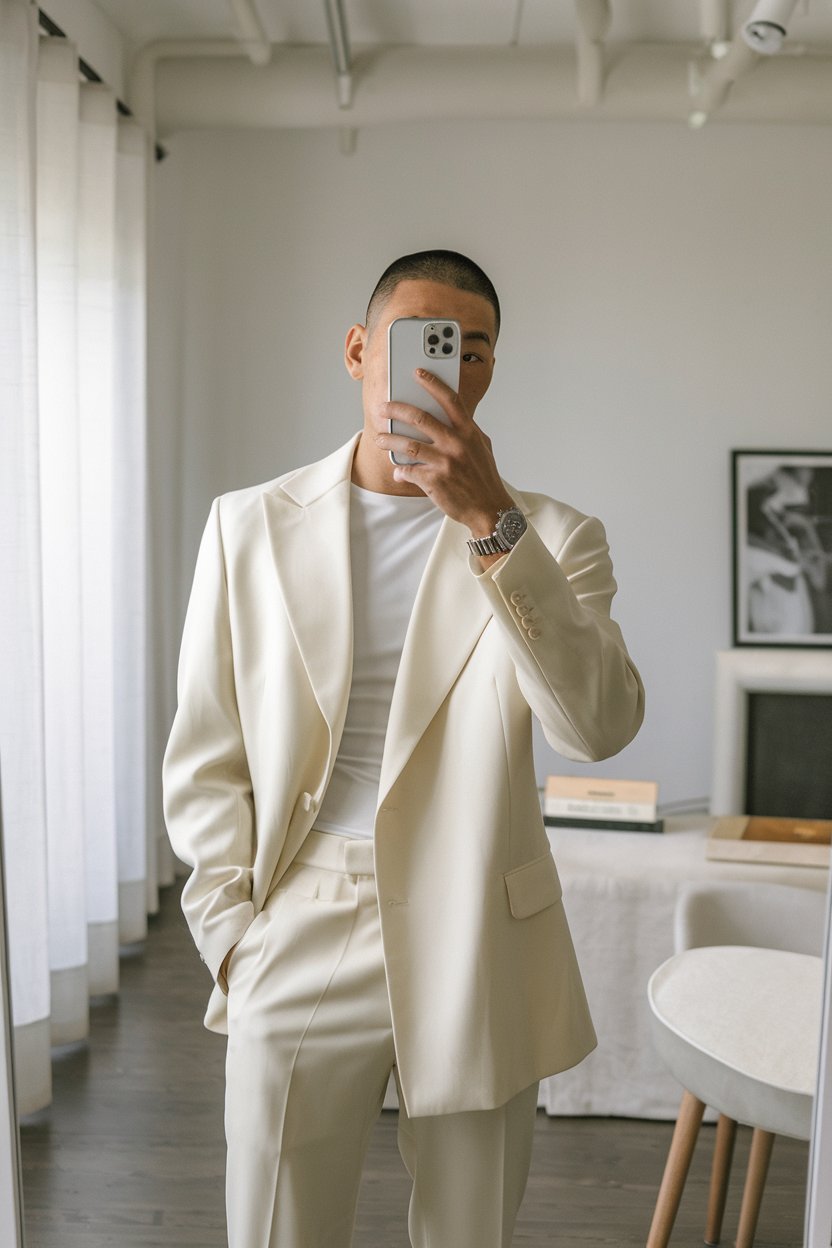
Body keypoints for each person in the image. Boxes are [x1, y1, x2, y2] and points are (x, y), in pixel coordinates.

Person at [162, 250, 645, 1248]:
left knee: (469, 1234)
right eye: (420, 341)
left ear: (488, 374)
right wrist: (230, 937)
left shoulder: (553, 535)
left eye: (470, 352)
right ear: (356, 351)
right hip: (297, 924)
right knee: (276, 1229)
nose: (445, 368)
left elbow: (594, 726)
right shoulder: (247, 526)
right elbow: (208, 751)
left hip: (478, 930)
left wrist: (489, 523)